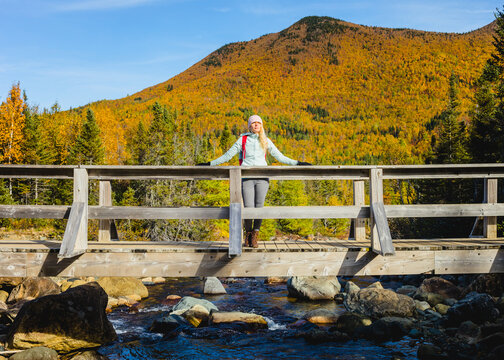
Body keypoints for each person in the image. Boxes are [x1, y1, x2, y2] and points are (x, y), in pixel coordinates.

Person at [197, 114, 311, 248]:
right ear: (249, 126)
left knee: (259, 207)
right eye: (253, 123)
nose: (256, 124)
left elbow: (280, 157)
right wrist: (210, 164)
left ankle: (255, 235)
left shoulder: (266, 140)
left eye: (259, 123)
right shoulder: (242, 140)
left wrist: (298, 163)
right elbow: (227, 155)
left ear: (261, 125)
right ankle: (248, 234)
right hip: (247, 178)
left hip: (263, 178)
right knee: (249, 208)